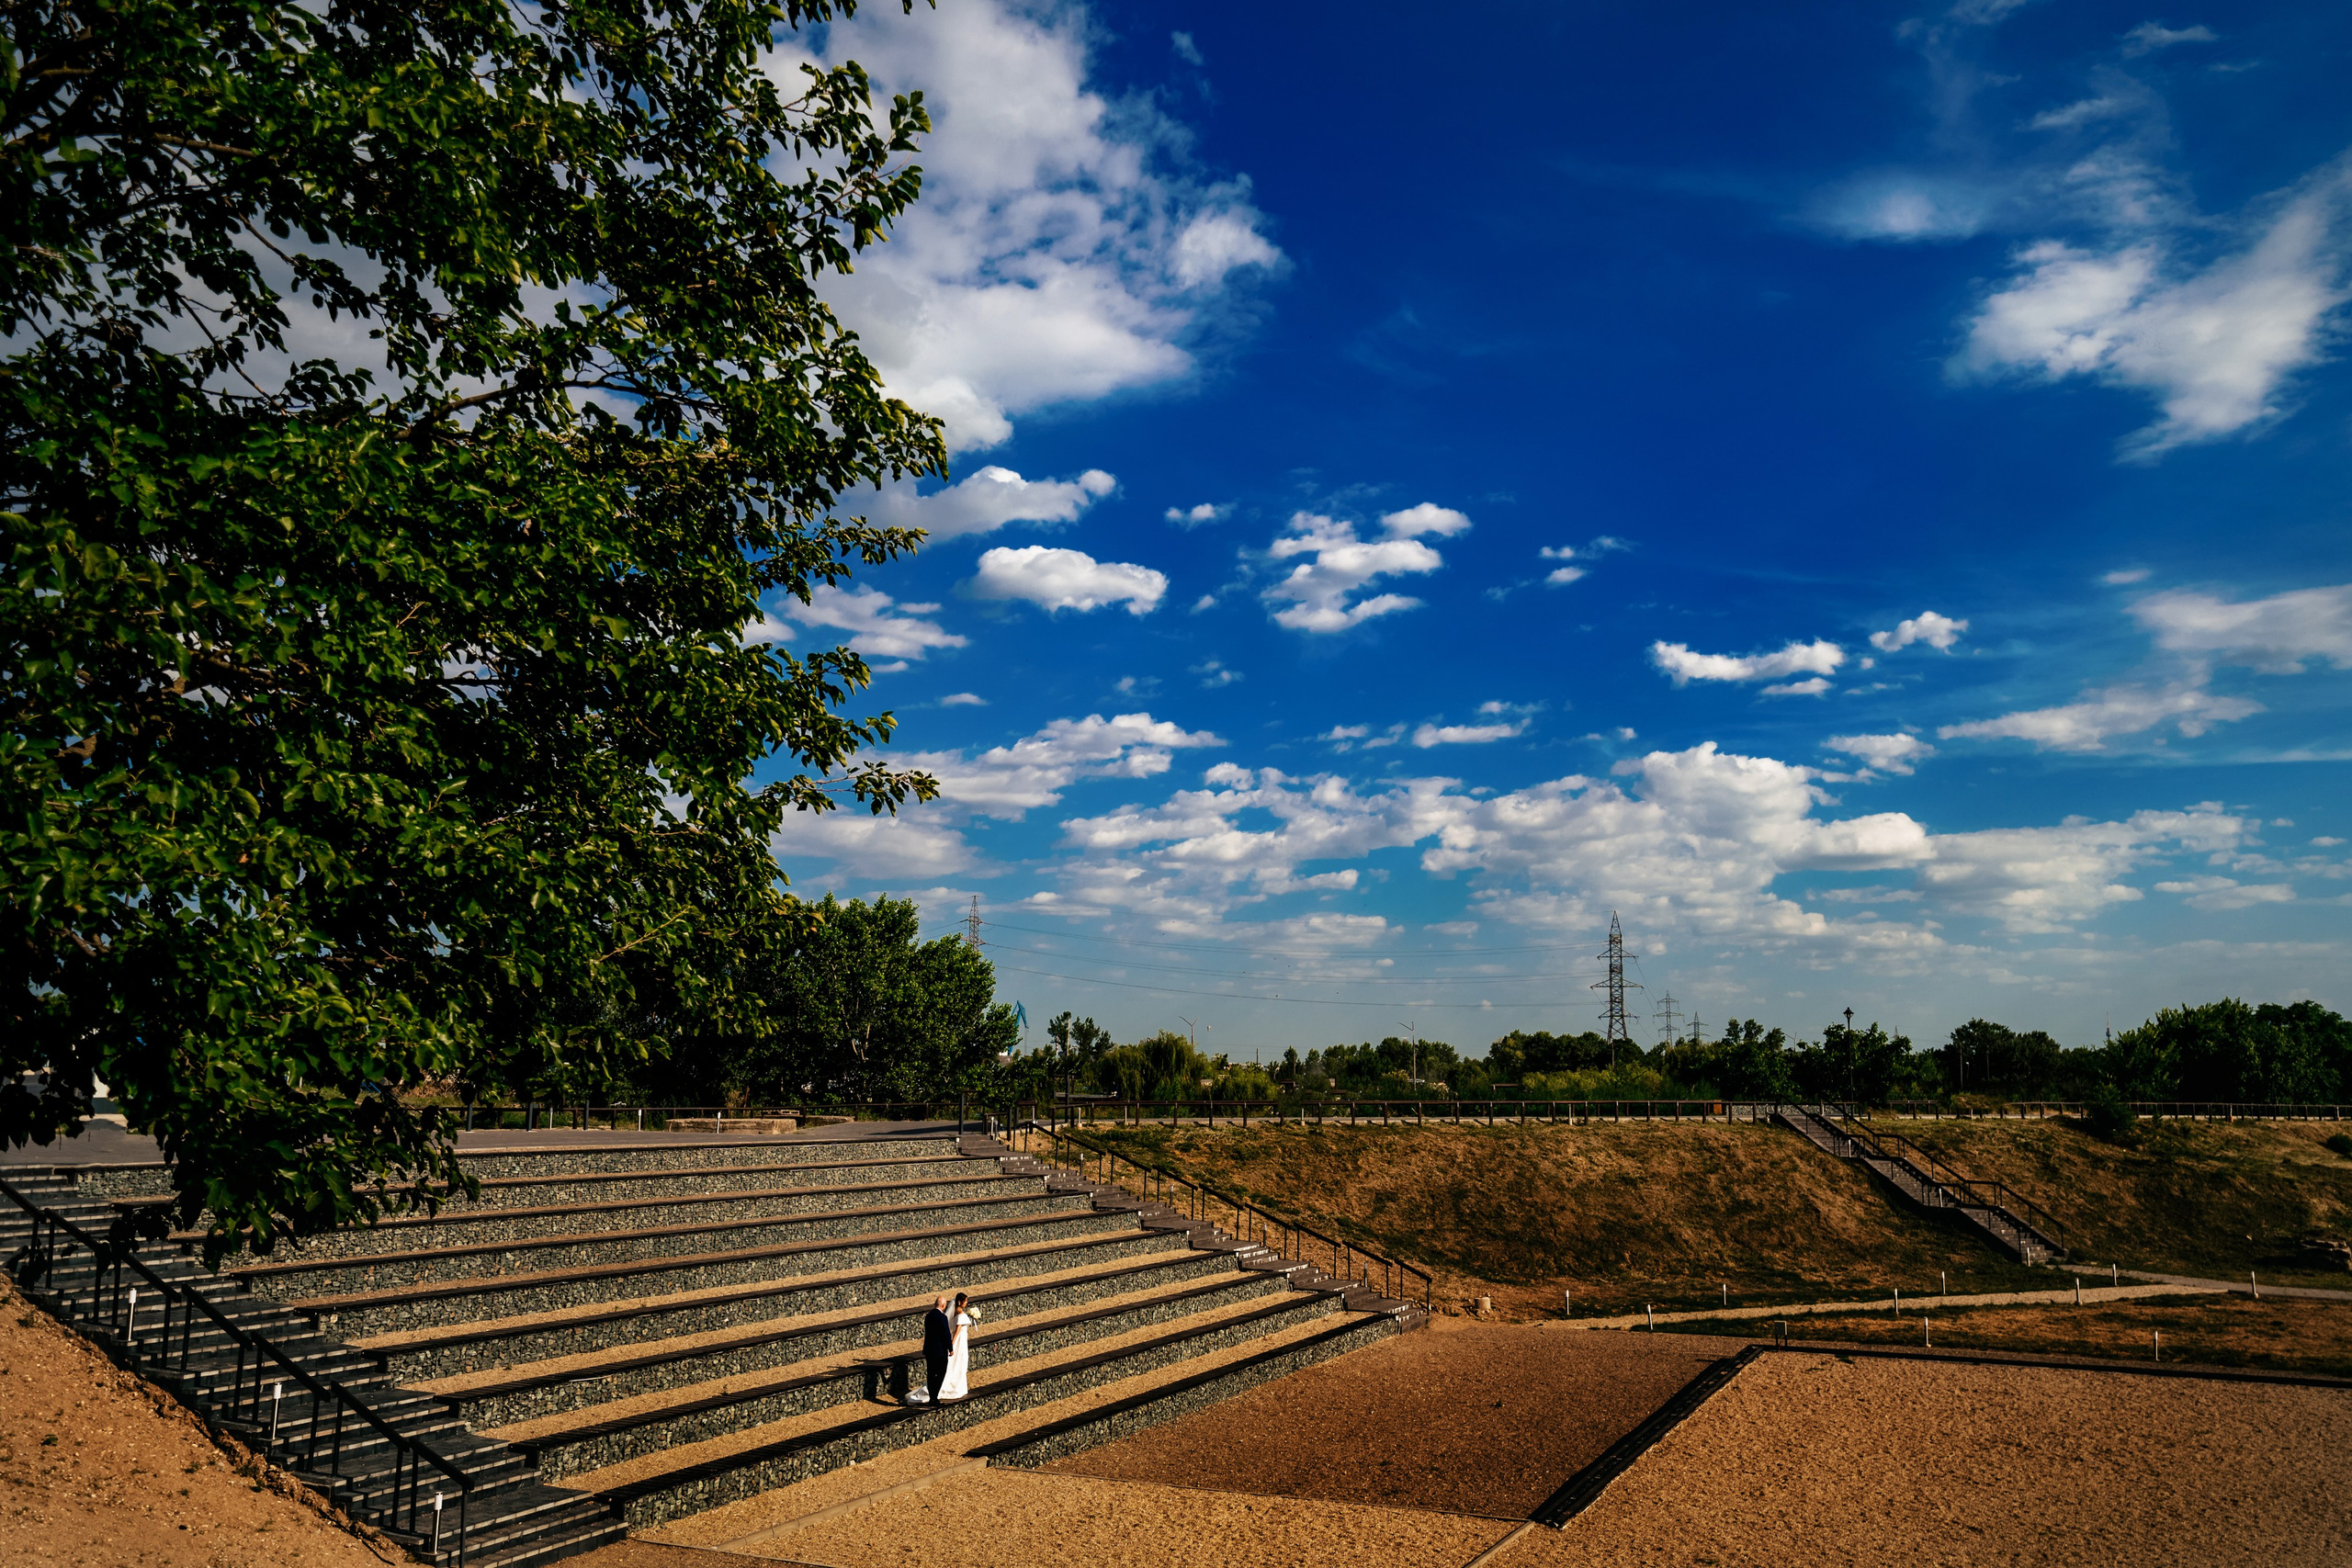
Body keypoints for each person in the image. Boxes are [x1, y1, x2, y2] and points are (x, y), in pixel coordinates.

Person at [937, 1291, 978, 1402]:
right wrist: (952, 1344)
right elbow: (957, 1331)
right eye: (965, 1302)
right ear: (960, 1302)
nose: (966, 1304)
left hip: (960, 1340)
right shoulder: (961, 1314)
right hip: (960, 1342)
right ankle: (956, 1386)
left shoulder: (956, 1312)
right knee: (960, 1361)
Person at [913, 1293, 953, 1405]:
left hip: (929, 1349)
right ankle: (935, 1397)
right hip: (940, 1351)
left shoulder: (928, 1316)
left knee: (931, 1374)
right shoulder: (943, 1318)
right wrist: (950, 1348)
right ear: (943, 1305)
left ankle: (932, 1397)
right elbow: (946, 1334)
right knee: (940, 1373)